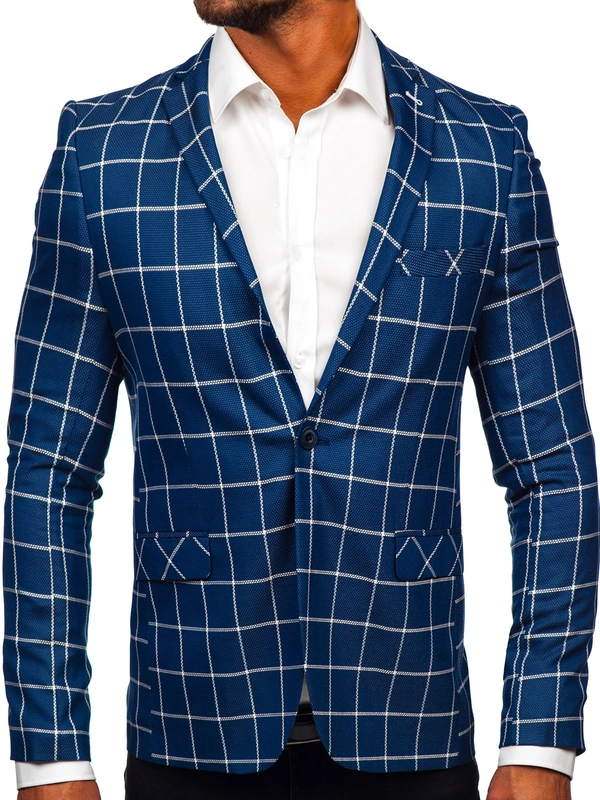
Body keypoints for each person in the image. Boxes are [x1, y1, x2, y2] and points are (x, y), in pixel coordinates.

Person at [3, 0, 598, 798]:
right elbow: (48, 471)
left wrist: (539, 741)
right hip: (191, 728)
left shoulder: (482, 150)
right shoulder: (105, 151)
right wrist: (50, 756)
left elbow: (552, 468)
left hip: (411, 728)